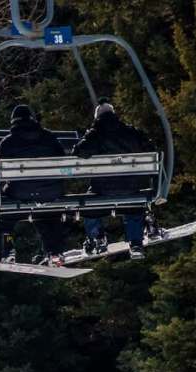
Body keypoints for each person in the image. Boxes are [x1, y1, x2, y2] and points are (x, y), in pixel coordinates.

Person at [0, 104, 68, 264]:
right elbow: (63, 162)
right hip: (50, 191)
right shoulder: (49, 137)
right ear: (33, 119)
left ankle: (6, 250)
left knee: (5, 218)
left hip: (20, 193)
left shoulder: (9, 142)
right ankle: (54, 251)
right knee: (47, 215)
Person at [72, 99, 157, 260]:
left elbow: (78, 152)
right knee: (134, 204)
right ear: (114, 114)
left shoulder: (95, 134)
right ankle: (136, 243)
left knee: (89, 207)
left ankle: (97, 237)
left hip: (101, 188)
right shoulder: (130, 131)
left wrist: (90, 134)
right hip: (131, 186)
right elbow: (150, 149)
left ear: (97, 117)